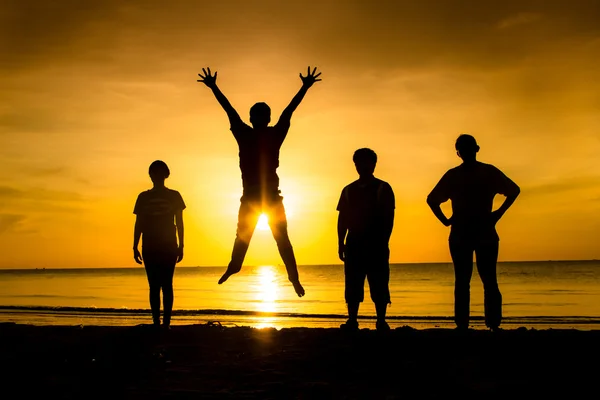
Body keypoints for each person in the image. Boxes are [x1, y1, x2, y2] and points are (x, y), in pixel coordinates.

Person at [197, 66, 322, 297]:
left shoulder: (268, 134)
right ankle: (235, 267)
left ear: (262, 119)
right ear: (254, 119)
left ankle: (292, 278)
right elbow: (230, 110)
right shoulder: (248, 134)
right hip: (255, 197)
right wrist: (214, 87)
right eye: (258, 116)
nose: (259, 119)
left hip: (270, 197)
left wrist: (304, 87)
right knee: (251, 238)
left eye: (261, 116)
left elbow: (288, 111)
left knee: (281, 240)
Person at [427, 134, 520, 331]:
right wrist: (446, 220)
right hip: (470, 231)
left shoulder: (476, 173)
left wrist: (498, 214)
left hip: (476, 230)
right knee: (476, 279)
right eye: (463, 148)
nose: (466, 152)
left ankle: (475, 323)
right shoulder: (467, 174)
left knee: (474, 279)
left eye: (466, 148)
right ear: (462, 151)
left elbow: (514, 190)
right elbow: (431, 199)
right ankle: (480, 324)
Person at [337, 148, 395, 331]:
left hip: (376, 242)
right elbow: (342, 219)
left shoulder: (383, 188)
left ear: (373, 164)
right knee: (353, 283)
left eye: (366, 162)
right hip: (354, 243)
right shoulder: (348, 190)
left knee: (379, 282)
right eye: (358, 162)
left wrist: (383, 241)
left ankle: (381, 320)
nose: (361, 166)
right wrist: (341, 242)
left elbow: (389, 218)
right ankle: (352, 320)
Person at [133, 160, 185, 328]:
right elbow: (139, 223)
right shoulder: (143, 197)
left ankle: (166, 323)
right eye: (154, 172)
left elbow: (180, 222)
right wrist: (134, 246)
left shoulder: (174, 196)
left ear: (165, 174)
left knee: (167, 284)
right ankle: (157, 322)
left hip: (168, 245)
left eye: (159, 172)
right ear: (151, 175)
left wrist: (181, 245)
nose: (156, 175)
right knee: (154, 286)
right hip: (150, 245)